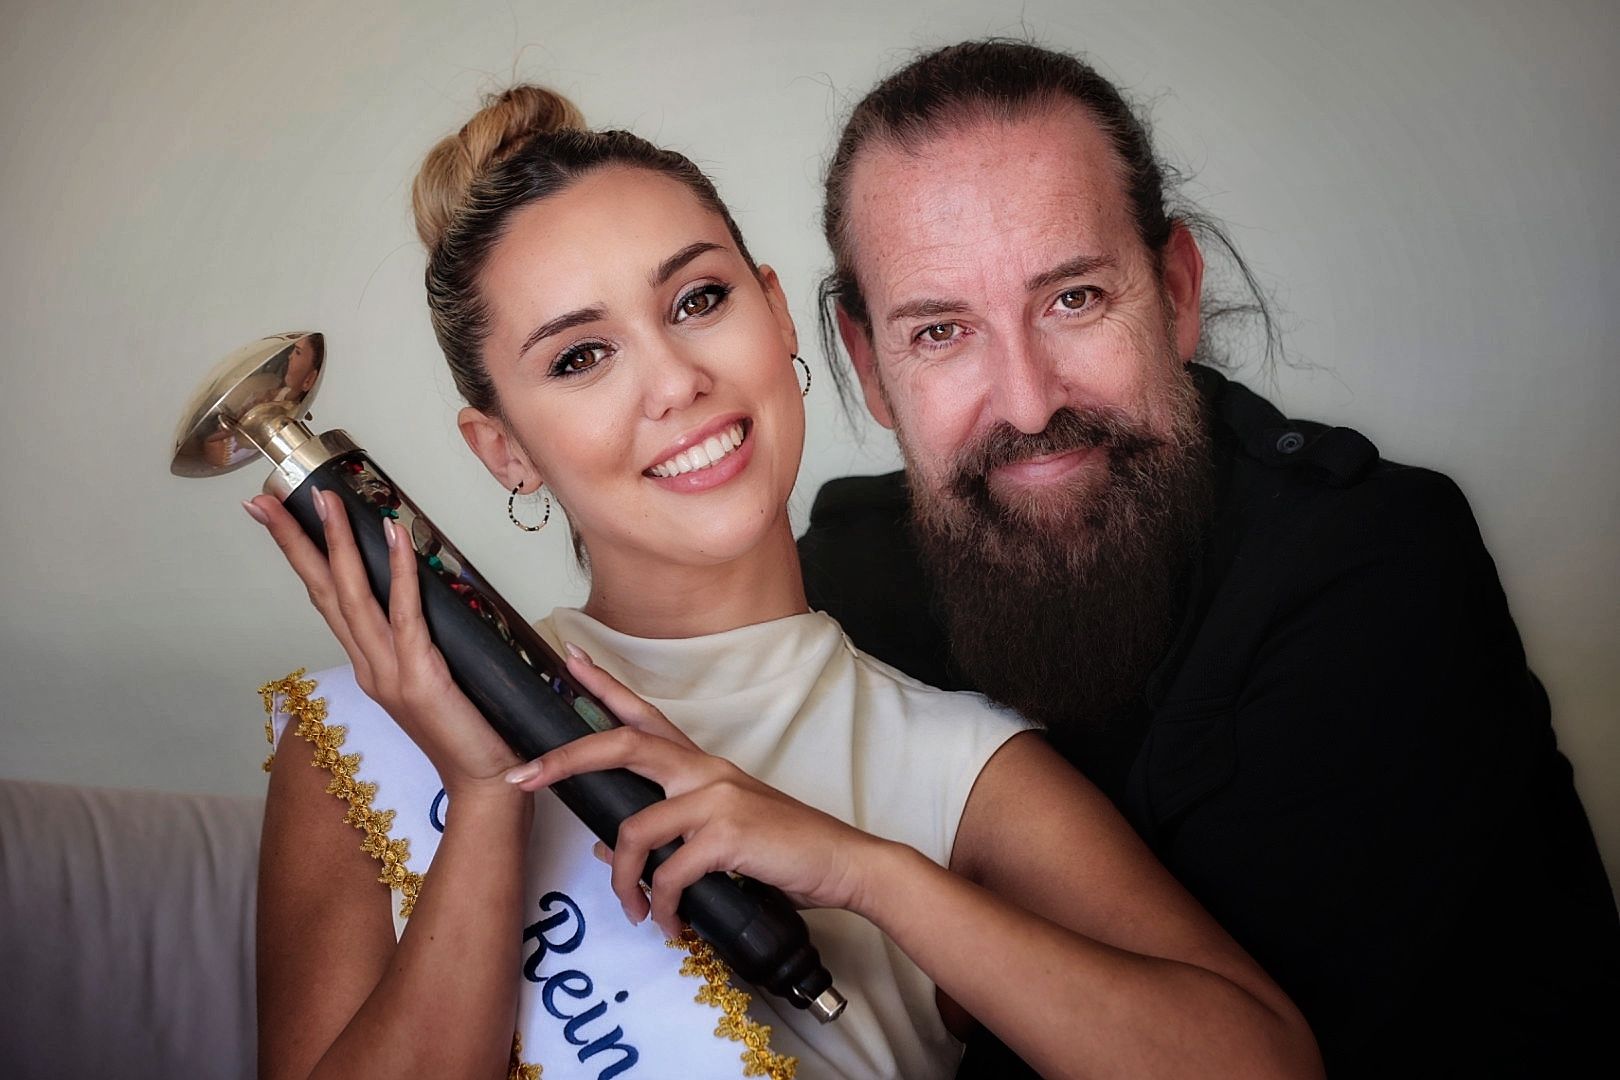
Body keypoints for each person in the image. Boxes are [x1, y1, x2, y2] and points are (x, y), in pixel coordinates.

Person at [244, 86, 1323, 1080]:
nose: (676, 381)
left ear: (774, 312)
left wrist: (872, 876)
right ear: (505, 451)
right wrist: (484, 802)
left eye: (699, 299)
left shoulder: (962, 775)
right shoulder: (379, 732)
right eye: (580, 358)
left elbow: (1265, 1063)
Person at [797, 39, 1620, 1078]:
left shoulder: (1376, 571)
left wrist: (900, 901)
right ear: (871, 366)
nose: (1029, 400)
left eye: (1075, 299)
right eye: (942, 332)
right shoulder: (846, 577)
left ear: (1176, 290)